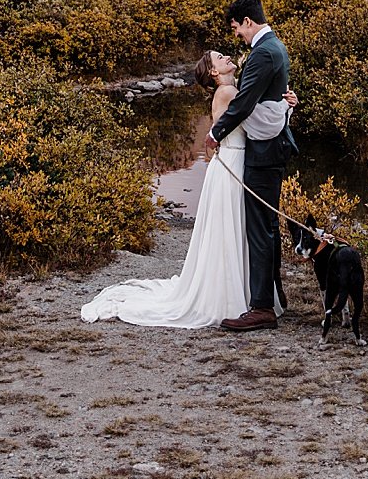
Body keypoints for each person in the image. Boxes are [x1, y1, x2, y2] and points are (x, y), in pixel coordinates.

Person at [79, 49, 250, 327]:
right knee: (229, 228)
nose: (228, 57)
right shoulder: (227, 94)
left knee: (231, 228)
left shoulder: (233, 90)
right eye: (220, 58)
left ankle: (236, 290)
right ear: (215, 73)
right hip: (232, 161)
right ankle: (229, 296)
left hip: (234, 160)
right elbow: (241, 121)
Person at [205, 0, 295, 332]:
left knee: (260, 228)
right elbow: (268, 100)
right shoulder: (276, 47)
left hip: (262, 153)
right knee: (268, 226)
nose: (237, 36)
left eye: (236, 28)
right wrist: (288, 106)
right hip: (271, 149)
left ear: (247, 22)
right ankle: (272, 296)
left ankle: (261, 307)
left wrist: (216, 133)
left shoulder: (263, 52)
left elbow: (243, 104)